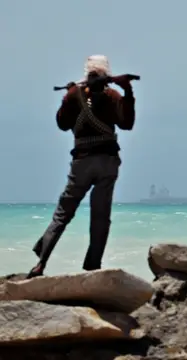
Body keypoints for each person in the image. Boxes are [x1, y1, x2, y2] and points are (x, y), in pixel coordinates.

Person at [27, 55, 136, 278]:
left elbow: (62, 123)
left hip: (82, 164)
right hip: (107, 162)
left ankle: (40, 264)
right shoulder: (112, 95)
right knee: (100, 216)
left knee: (62, 215)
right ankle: (92, 266)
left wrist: (68, 96)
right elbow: (127, 124)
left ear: (87, 74)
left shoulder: (75, 94)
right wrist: (128, 92)